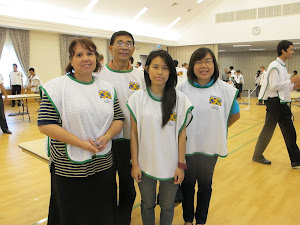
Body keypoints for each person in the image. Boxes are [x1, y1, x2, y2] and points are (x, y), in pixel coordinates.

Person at [38, 38, 124, 225]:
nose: (86, 58)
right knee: (73, 212)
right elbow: (45, 124)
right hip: (69, 167)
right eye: (79, 54)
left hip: (103, 163)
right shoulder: (57, 87)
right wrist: (82, 144)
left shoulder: (107, 88)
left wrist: (107, 136)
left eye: (90, 53)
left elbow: (118, 118)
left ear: (96, 58)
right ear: (71, 60)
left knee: (101, 209)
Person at [128, 50, 193, 225]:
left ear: (171, 71)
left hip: (171, 165)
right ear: (147, 68)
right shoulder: (137, 98)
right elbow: (133, 134)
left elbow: (182, 134)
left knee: (167, 205)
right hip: (145, 163)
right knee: (147, 204)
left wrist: (180, 165)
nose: (159, 72)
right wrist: (134, 164)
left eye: (165, 68)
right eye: (155, 67)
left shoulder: (180, 99)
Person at [177, 47, 240, 225]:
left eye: (207, 61)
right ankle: (188, 220)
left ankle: (201, 221)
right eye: (198, 62)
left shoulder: (224, 90)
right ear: (191, 66)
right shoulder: (182, 88)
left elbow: (235, 114)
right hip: (187, 148)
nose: (203, 66)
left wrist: (218, 128)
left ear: (214, 65)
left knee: (205, 185)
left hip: (210, 148)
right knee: (187, 185)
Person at [96, 30, 145, 225]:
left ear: (133, 49)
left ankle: (123, 220)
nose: (124, 47)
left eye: (128, 43)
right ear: (110, 47)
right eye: (119, 43)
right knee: (105, 187)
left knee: (128, 187)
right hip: (104, 140)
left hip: (130, 141)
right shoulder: (98, 74)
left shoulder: (140, 75)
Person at [252, 40, 300, 168]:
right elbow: (274, 86)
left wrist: (294, 87)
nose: (292, 52)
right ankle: (257, 155)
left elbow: (283, 86)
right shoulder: (274, 66)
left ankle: (296, 160)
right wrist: (291, 80)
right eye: (291, 49)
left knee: (290, 131)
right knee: (268, 130)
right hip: (275, 103)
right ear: (283, 51)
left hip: (281, 103)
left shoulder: (282, 66)